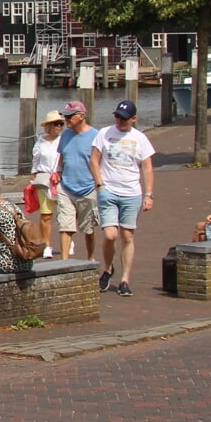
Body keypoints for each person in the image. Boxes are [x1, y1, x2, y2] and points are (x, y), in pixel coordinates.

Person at [89, 99, 155, 297]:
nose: (119, 121)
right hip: (108, 189)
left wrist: (149, 194)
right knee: (110, 234)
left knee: (127, 236)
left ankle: (125, 278)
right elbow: (94, 159)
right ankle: (108, 268)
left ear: (133, 119)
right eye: (117, 116)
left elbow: (147, 167)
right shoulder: (104, 133)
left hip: (131, 192)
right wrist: (100, 184)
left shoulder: (140, 138)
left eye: (124, 118)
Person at [53, 100, 100, 266]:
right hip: (66, 186)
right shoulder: (65, 135)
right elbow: (62, 155)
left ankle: (91, 258)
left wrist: (99, 183)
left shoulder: (96, 135)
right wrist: (57, 172)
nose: (66, 121)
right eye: (65, 117)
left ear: (81, 116)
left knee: (88, 229)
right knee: (65, 226)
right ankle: (64, 263)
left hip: (88, 187)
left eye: (69, 117)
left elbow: (101, 161)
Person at [28, 110, 64, 251]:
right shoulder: (40, 142)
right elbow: (35, 161)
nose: (59, 126)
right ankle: (47, 244)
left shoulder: (63, 140)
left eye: (61, 124)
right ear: (49, 125)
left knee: (63, 212)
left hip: (60, 178)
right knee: (45, 214)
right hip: (43, 179)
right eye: (56, 124)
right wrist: (34, 175)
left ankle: (67, 239)